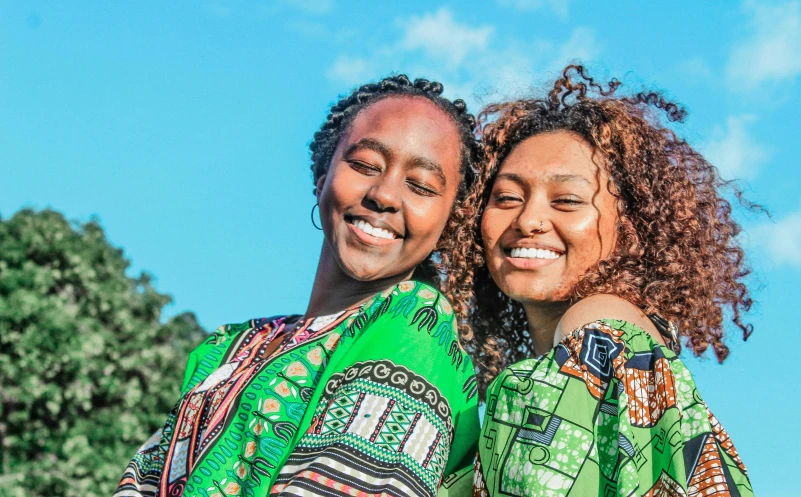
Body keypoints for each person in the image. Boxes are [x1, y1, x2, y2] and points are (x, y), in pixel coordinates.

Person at [114, 75, 482, 497]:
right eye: (364, 165)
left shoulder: (415, 327)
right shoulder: (226, 347)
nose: (384, 195)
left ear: (449, 219)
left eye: (420, 186)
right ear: (323, 174)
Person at [451, 66, 754, 496]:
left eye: (568, 201)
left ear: (629, 229)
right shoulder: (605, 353)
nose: (529, 219)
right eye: (507, 198)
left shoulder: (600, 325)